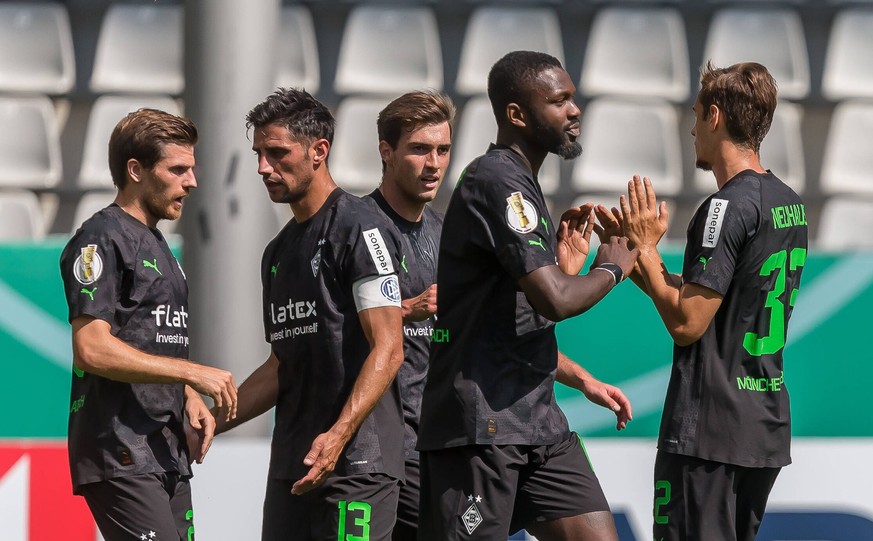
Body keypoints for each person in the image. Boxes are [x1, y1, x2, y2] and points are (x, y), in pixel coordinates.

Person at [416, 50, 639, 541]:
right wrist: (613, 267)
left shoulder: (520, 181)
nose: (574, 110)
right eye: (559, 101)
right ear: (516, 115)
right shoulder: (497, 180)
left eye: (573, 99)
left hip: (537, 423)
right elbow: (555, 300)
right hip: (482, 429)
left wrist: (563, 267)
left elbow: (519, 308)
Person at [605, 61, 808, 541]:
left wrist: (647, 248)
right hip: (761, 424)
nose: (691, 128)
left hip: (710, 432)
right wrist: (636, 261)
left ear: (715, 116)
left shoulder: (724, 206)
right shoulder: (789, 201)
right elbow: (714, 299)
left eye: (696, 115)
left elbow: (689, 322)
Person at [213, 88, 406, 541]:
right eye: (259, 153)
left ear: (319, 151)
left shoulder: (362, 226)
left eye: (277, 153)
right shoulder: (276, 253)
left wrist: (338, 435)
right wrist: (203, 425)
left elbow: (389, 346)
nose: (263, 167)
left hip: (358, 462)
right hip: (293, 467)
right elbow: (281, 366)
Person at [59, 108, 239, 541]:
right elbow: (91, 348)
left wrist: (188, 394)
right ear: (135, 170)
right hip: (120, 448)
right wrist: (191, 372)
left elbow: (152, 339)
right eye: (178, 169)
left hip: (163, 448)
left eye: (192, 169)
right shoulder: (100, 238)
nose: (191, 182)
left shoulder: (159, 244)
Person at [362, 90, 454, 540]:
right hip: (375, 444)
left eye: (442, 150)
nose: (434, 163)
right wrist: (409, 308)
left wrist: (584, 379)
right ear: (387, 151)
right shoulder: (356, 225)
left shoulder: (446, 233)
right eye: (419, 149)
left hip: (432, 439)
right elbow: (333, 325)